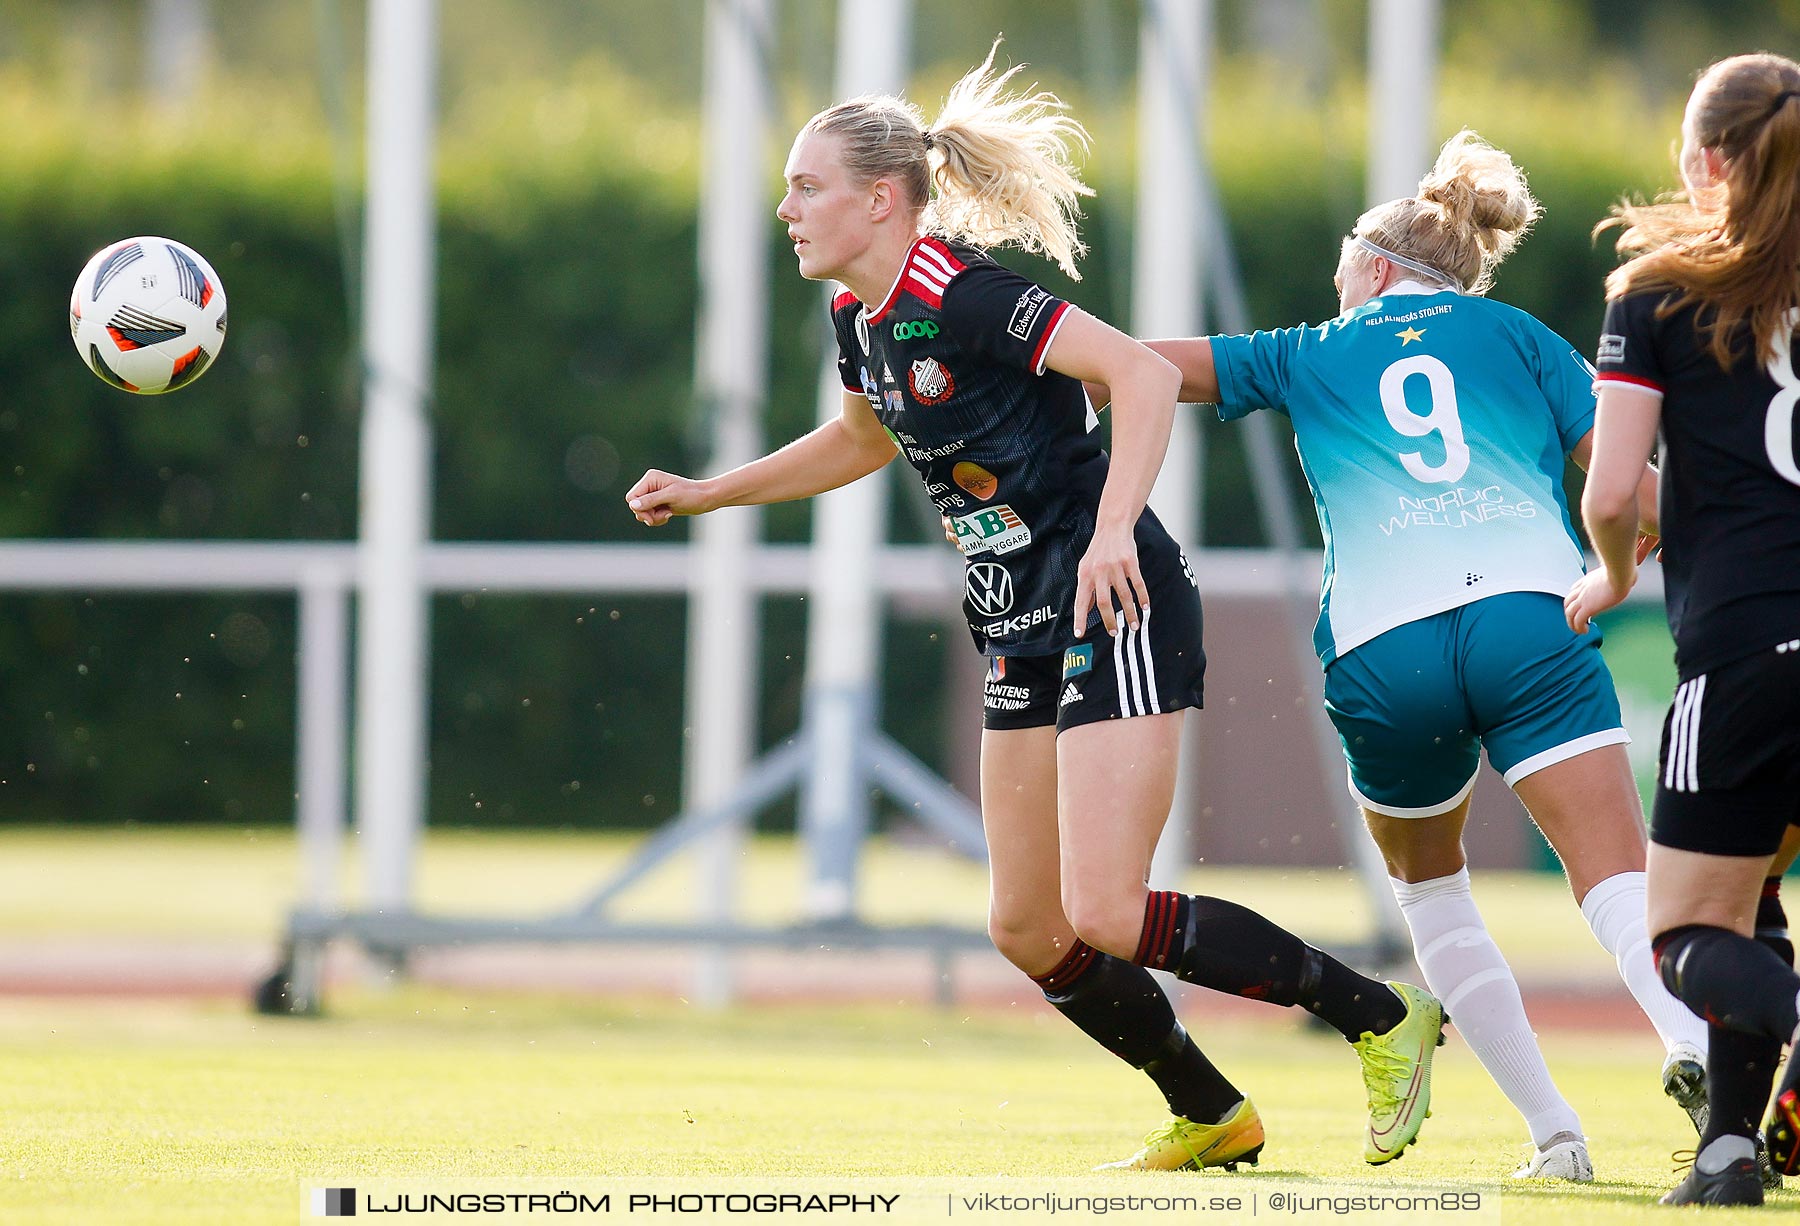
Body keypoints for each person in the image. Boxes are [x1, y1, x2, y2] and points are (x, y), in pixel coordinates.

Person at [626, 46, 1445, 1172]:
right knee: (1027, 926)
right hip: (1018, 621)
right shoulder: (861, 322)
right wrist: (714, 491)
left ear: (880, 199)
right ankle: (1213, 1110)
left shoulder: (961, 293)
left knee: (1105, 909)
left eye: (805, 186)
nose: (786, 207)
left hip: (1116, 600)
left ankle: (1381, 1014)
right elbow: (866, 437)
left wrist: (1113, 529)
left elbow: (1142, 377)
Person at [1089, 130, 1716, 1182]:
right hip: (1532, 618)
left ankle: (1556, 1137)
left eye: (1345, 272)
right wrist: (1649, 539)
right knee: (1615, 875)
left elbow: (1138, 365)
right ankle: (1689, 1040)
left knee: (1433, 894)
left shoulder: (1308, 349)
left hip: (1386, 651)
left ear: (1376, 271)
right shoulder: (1522, 338)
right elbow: (1638, 495)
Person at [1566, 51, 1800, 1207]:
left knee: (1684, 931)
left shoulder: (1658, 290)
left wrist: (1613, 576)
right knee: (1751, 896)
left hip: (1749, 652)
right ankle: (1731, 1149)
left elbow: (1613, 494)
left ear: (1707, 161)